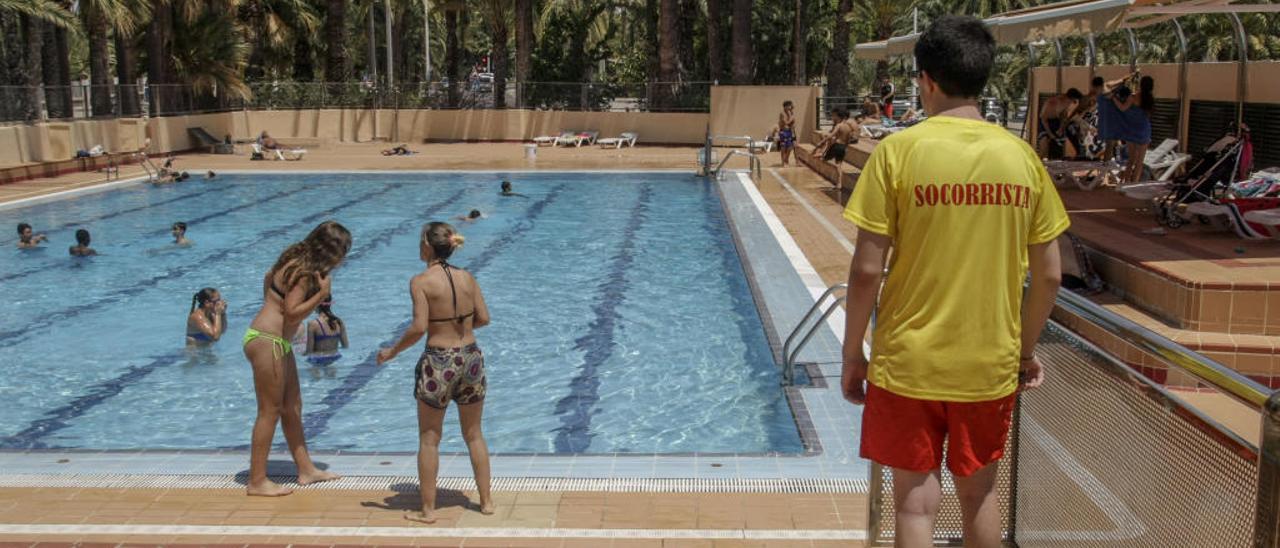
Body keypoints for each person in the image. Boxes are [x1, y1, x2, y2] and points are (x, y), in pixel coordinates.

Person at [840, 16, 1067, 548]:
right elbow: (1050, 274)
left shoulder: (898, 153)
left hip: (907, 362)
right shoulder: (1021, 158)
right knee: (980, 496)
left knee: (915, 505)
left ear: (926, 80)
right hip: (987, 362)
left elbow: (866, 269)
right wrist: (1024, 351)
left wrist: (854, 355)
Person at [377, 222, 494, 524]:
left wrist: (392, 351)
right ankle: (486, 502)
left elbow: (418, 327)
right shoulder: (467, 277)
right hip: (471, 359)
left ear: (427, 246)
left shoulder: (420, 281)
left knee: (429, 438)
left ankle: (427, 510)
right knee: (474, 434)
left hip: (438, 363)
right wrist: (460, 330)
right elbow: (484, 318)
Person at [243, 220, 350, 496]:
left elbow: (268, 278)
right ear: (329, 251)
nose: (342, 260)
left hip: (273, 340)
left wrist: (271, 307)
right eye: (342, 253)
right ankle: (256, 481)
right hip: (268, 342)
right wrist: (322, 295)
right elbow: (292, 313)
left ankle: (306, 469)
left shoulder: (293, 258)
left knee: (292, 407)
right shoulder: (304, 273)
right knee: (270, 411)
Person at [1106, 75, 1155, 184]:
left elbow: (1122, 108)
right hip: (1144, 130)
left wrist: (1114, 98)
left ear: (1141, 85)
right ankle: (1134, 183)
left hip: (1132, 130)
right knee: (1139, 161)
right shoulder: (1150, 99)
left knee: (1131, 159)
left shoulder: (1133, 97)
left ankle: (1126, 182)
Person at [1038, 88, 1083, 159]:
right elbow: (1044, 119)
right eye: (1074, 100)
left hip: (1056, 121)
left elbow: (1063, 117)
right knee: (1044, 147)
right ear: (1070, 98)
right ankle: (1038, 162)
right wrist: (1050, 134)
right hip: (1045, 122)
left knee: (1071, 127)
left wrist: (1061, 128)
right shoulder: (1052, 102)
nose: (1073, 103)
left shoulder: (1067, 102)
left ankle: (1079, 152)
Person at [304, 297, 348, 366]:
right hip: (335, 357)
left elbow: (309, 351)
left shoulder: (313, 324)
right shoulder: (339, 321)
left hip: (317, 359)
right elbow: (345, 346)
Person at [777, 100, 797, 167]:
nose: (790, 107)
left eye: (790, 106)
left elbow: (791, 122)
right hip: (783, 132)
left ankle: (786, 160)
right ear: (785, 106)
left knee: (790, 147)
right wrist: (791, 118)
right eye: (789, 106)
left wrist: (791, 115)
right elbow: (786, 122)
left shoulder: (790, 112)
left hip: (789, 132)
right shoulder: (782, 113)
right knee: (783, 147)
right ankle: (783, 162)